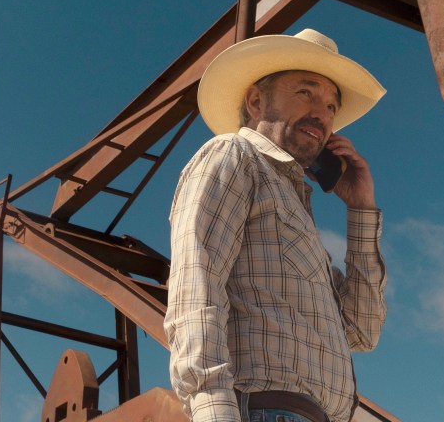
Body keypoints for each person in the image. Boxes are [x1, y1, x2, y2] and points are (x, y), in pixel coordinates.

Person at [164, 29, 388, 422]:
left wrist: (362, 210)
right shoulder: (233, 154)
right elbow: (196, 285)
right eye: (307, 93)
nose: (322, 113)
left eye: (332, 106)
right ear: (255, 101)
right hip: (266, 411)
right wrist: (214, 411)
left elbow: (362, 330)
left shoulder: (298, 210)